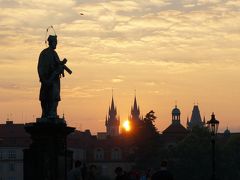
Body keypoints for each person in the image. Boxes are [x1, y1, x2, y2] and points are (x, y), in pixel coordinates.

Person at [38, 35, 64, 118]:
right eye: (55, 42)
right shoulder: (44, 53)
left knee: (54, 97)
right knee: (47, 97)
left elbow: (58, 65)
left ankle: (52, 113)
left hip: (54, 79)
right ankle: (47, 114)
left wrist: (60, 69)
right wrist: (44, 78)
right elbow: (40, 67)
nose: (56, 44)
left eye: (56, 42)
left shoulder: (54, 54)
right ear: (51, 42)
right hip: (48, 79)